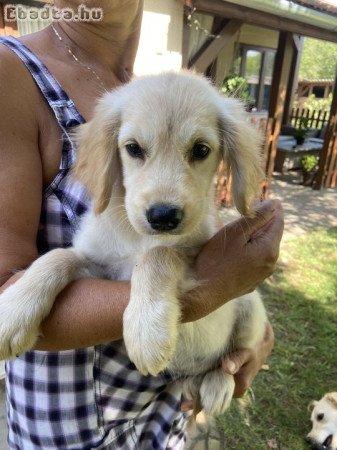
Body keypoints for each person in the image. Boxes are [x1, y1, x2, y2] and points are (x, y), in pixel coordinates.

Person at [0, 1, 283, 448]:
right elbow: (56, 267)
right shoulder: (10, 73)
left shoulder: (142, 89)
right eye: (136, 150)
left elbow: (232, 287)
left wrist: (254, 343)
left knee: (247, 305)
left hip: (167, 411)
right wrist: (200, 288)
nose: (165, 200)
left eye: (199, 152)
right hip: (67, 426)